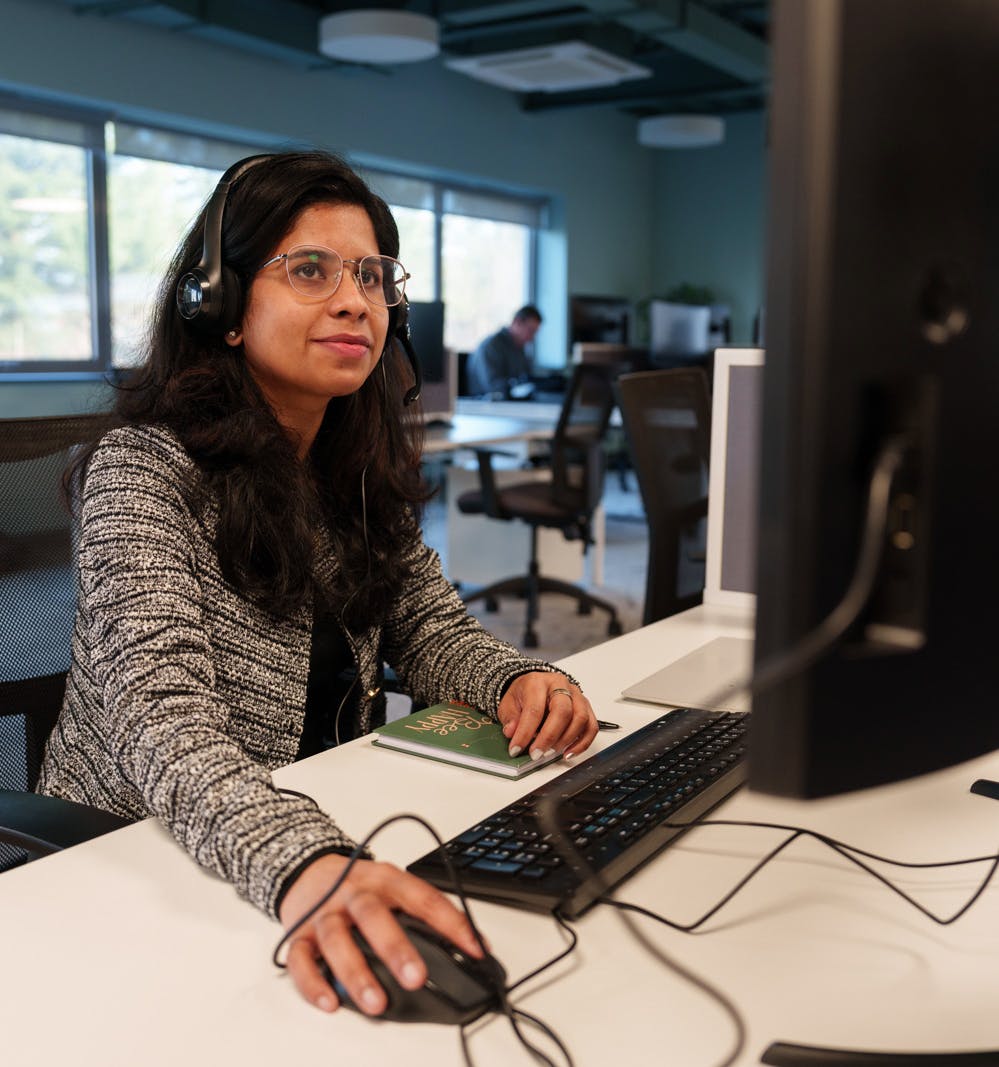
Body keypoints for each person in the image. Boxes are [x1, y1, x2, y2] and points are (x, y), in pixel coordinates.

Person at [37, 151, 598, 1018]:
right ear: (220, 307)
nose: (354, 301)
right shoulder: (143, 471)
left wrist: (518, 679)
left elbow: (428, 628)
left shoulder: (352, 466)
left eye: (373, 276)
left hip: (315, 816)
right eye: (310, 270)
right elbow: (162, 719)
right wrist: (303, 864)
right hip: (133, 855)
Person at [465, 304, 542, 398]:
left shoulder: (519, 348)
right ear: (516, 322)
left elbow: (525, 378)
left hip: (510, 404)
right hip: (487, 404)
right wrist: (516, 385)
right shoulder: (491, 346)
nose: (532, 338)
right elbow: (492, 386)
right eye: (530, 331)